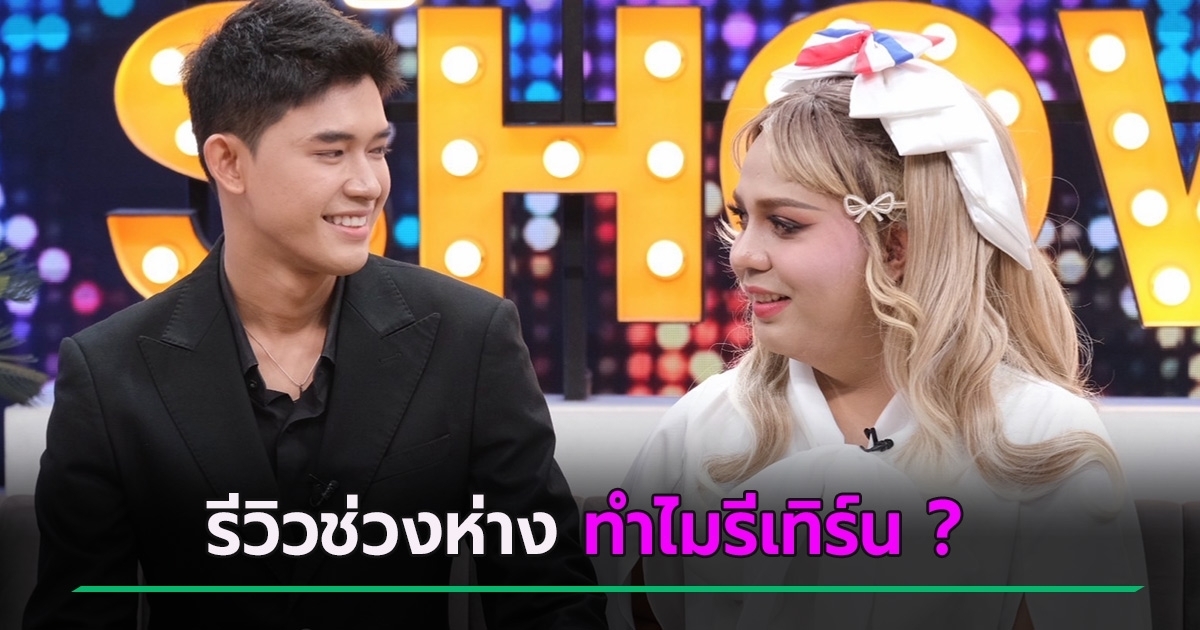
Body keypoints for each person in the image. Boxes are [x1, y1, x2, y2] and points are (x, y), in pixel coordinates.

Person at [24, 1, 607, 628]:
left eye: (377, 150)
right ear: (228, 162)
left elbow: (549, 600)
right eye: (332, 153)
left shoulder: (469, 338)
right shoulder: (110, 374)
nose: (368, 185)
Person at [606, 26, 1151, 630]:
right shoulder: (700, 427)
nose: (743, 255)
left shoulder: (1041, 439)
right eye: (742, 217)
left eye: (784, 223)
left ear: (896, 246)